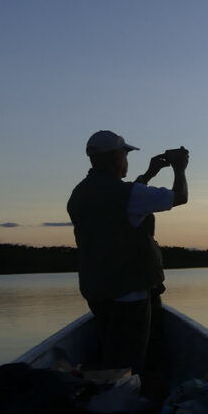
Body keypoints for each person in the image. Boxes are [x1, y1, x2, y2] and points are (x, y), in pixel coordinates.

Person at [66, 130, 189, 390]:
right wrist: (180, 168)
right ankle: (127, 405)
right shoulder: (126, 195)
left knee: (114, 352)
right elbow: (179, 197)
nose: (126, 161)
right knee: (130, 364)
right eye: (125, 155)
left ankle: (110, 399)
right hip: (128, 294)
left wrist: (149, 174)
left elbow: (126, 200)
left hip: (97, 291)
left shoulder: (80, 194)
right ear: (116, 158)